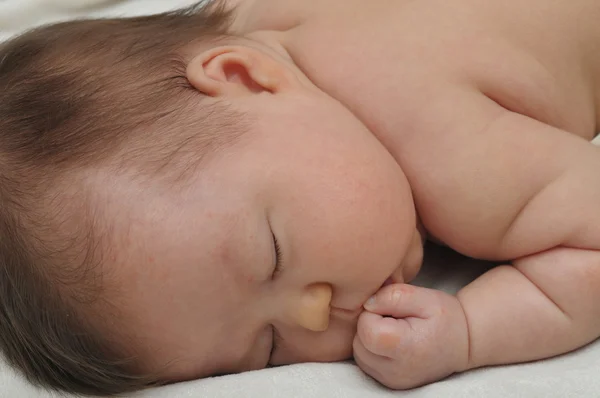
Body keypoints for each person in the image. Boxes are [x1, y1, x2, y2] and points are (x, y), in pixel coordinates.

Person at [0, 0, 598, 395]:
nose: (316, 317)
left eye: (276, 254)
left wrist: (470, 330)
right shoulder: (244, 22)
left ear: (243, 77)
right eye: (270, 349)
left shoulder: (452, 157)